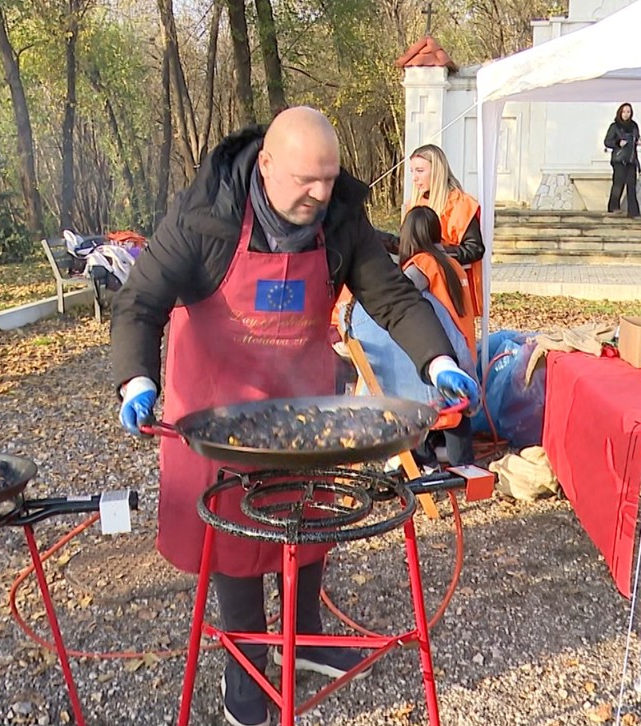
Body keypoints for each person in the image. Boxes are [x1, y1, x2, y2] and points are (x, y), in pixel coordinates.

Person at [111, 107, 480, 726]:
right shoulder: (204, 215)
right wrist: (137, 379)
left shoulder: (338, 218)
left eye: (330, 180)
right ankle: (248, 667)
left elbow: (389, 295)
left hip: (301, 397)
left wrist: (438, 360)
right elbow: (140, 301)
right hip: (215, 397)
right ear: (267, 164)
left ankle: (307, 639)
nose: (320, 194)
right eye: (307, 180)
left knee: (307, 508)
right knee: (233, 530)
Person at [397, 206, 476, 466]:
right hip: (466, 345)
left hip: (444, 346)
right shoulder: (452, 262)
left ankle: (424, 459)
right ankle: (461, 462)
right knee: (459, 406)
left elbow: (400, 297)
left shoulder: (421, 265)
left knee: (428, 400)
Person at [407, 144, 486, 318]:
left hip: (453, 289)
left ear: (437, 171)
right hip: (424, 288)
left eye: (420, 170)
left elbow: (475, 249)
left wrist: (436, 252)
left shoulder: (462, 204)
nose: (414, 178)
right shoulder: (413, 204)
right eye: (412, 171)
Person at [604, 103, 641, 218]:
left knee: (631, 185)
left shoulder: (634, 126)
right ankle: (613, 206)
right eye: (624, 112)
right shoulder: (615, 126)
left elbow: (636, 137)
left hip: (631, 159)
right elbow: (607, 142)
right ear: (620, 112)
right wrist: (618, 143)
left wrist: (639, 142)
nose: (626, 114)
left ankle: (634, 212)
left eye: (628, 112)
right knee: (618, 184)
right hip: (619, 159)